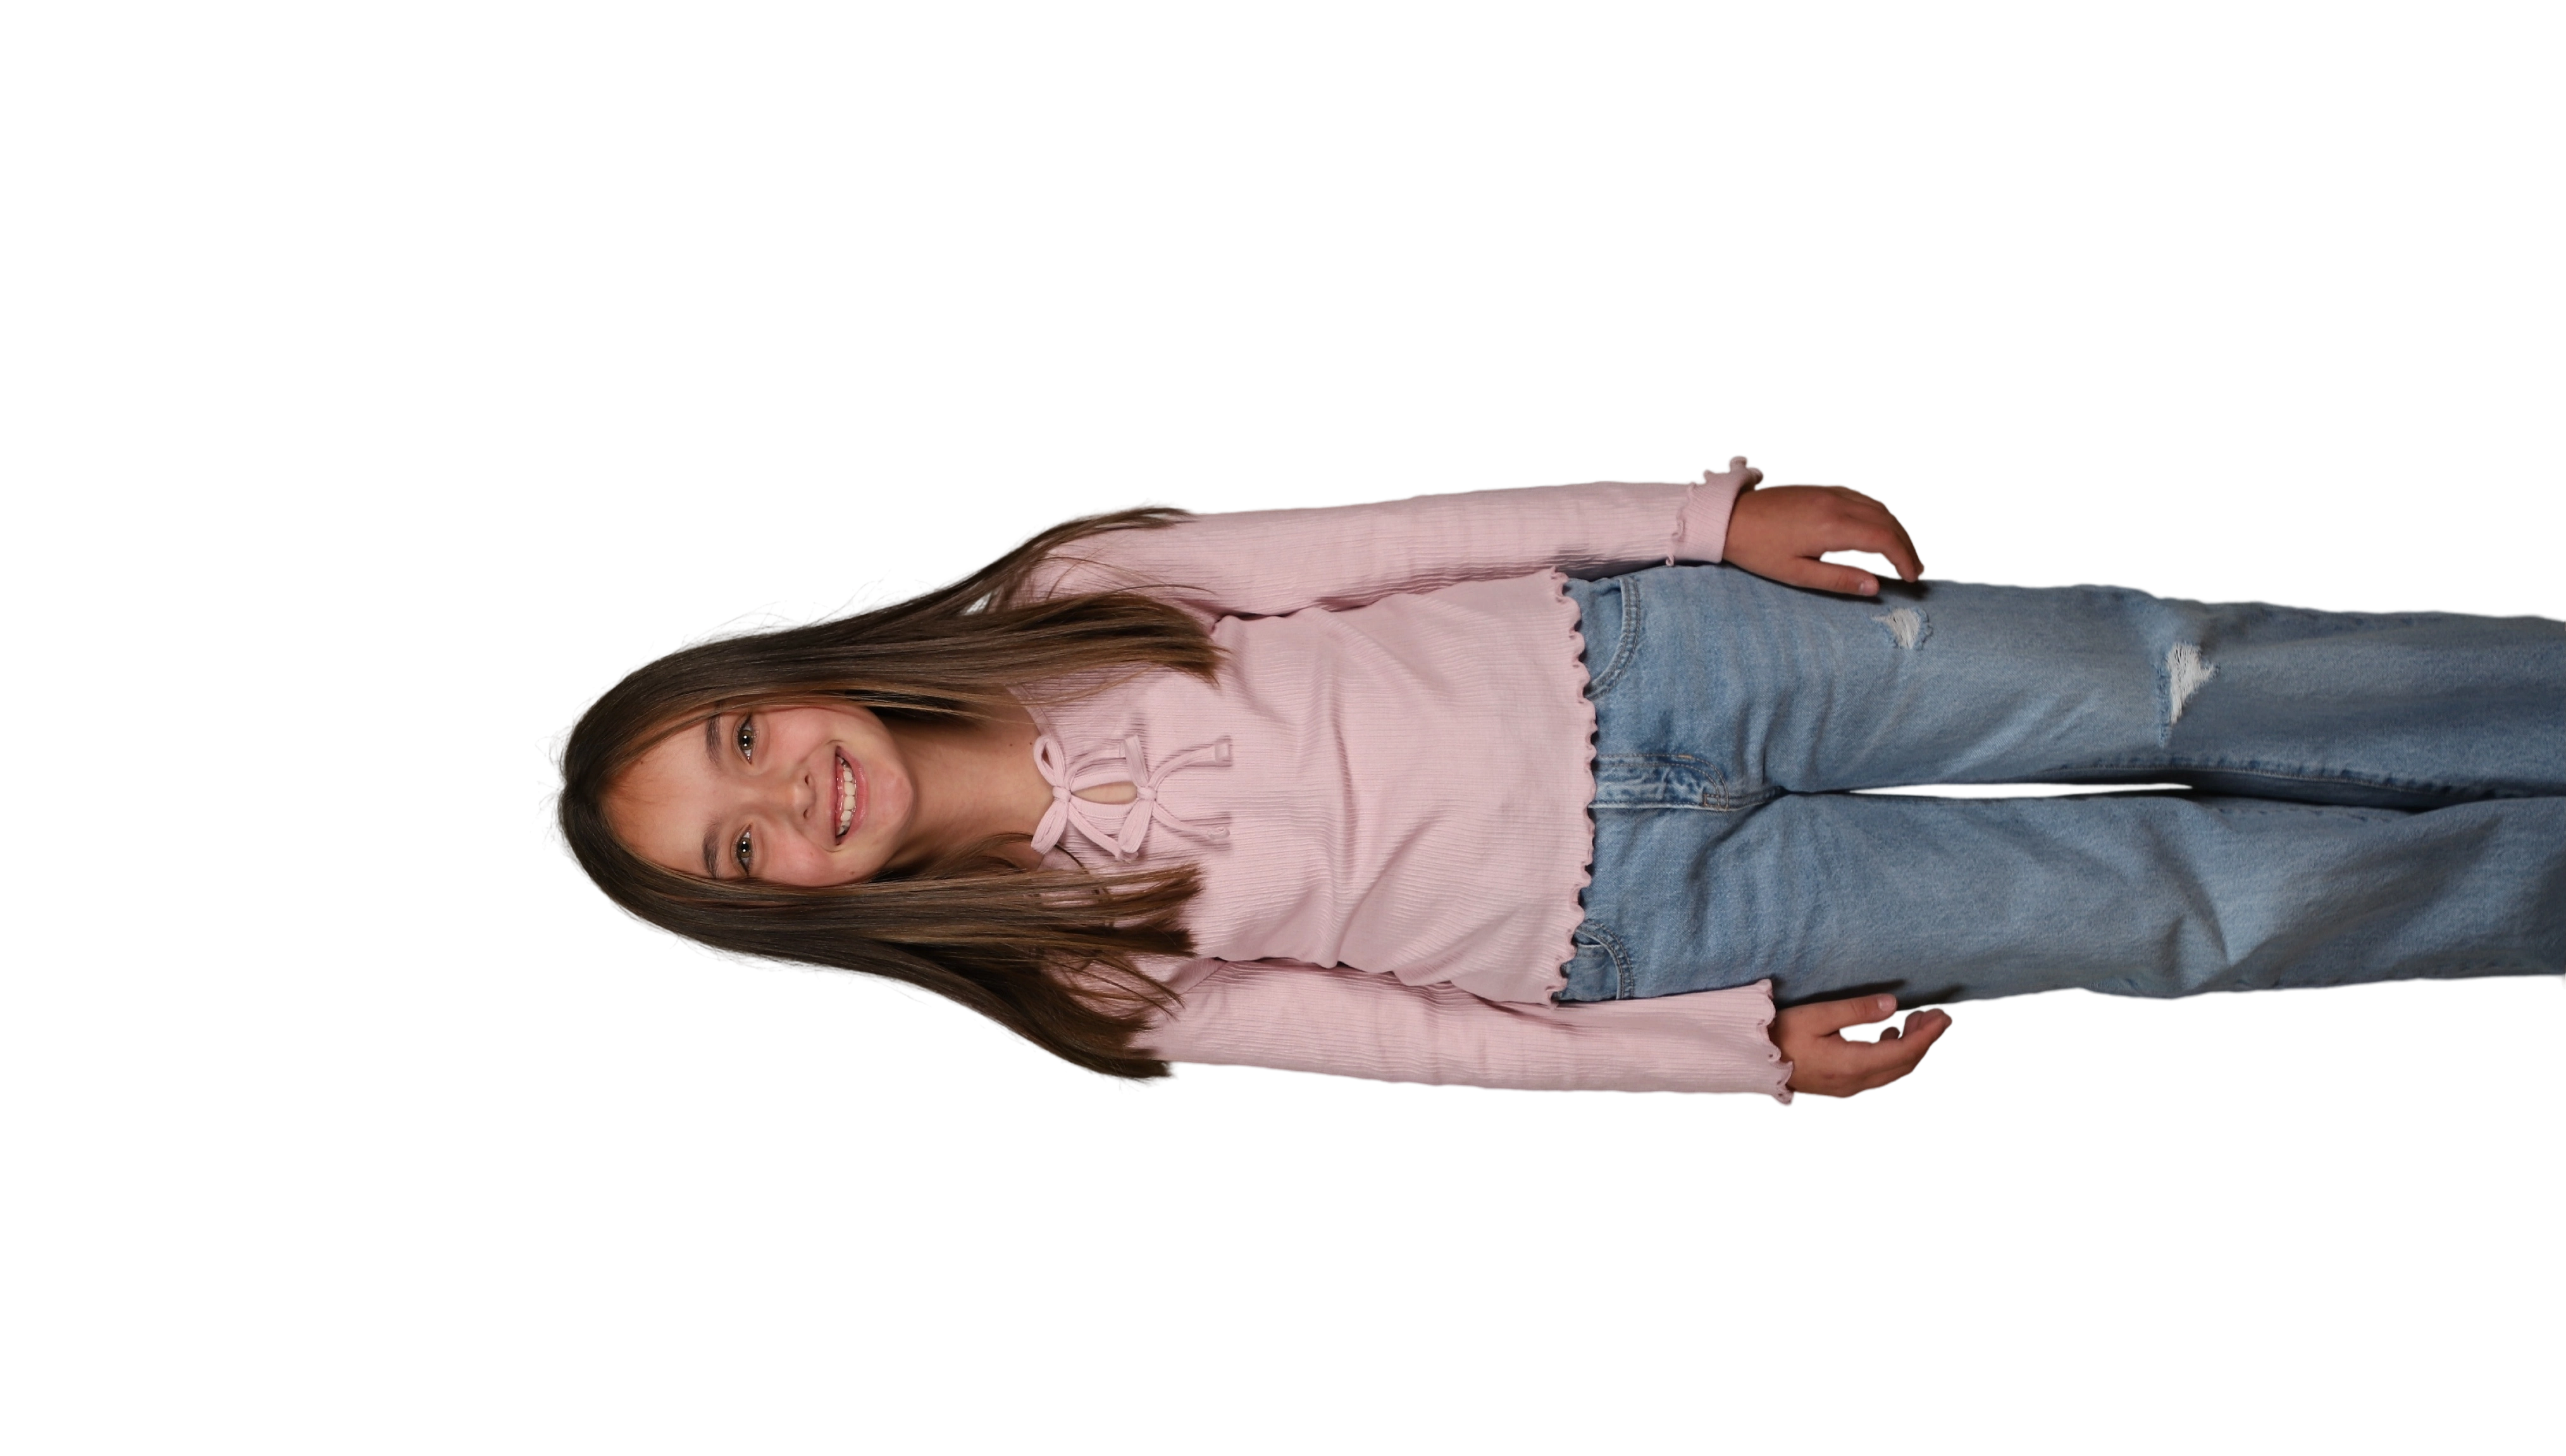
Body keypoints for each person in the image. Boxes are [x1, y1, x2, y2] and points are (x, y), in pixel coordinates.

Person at [531, 457, 2566, 1104]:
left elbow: (1410, 539)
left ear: (781, 676)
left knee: (2171, 677)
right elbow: (1443, 1047)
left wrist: (1698, 513)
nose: (788, 801)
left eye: (740, 747)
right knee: (2187, 914)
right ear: (789, 915)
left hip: (1676, 659)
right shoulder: (1087, 982)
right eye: (742, 852)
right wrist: (1731, 1056)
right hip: (1671, 927)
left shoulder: (1077, 592)